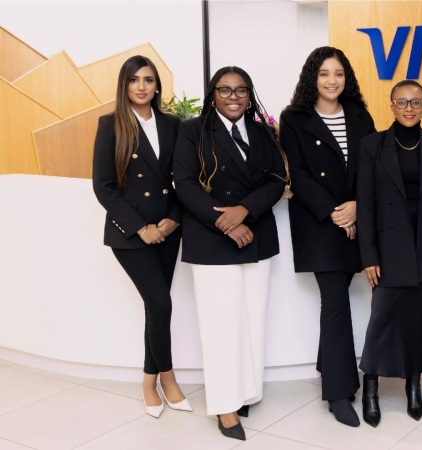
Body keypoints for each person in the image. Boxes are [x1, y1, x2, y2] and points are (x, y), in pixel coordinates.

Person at [173, 66, 288, 441]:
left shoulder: (262, 131)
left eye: (241, 90)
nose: (233, 96)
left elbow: (276, 179)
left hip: (256, 235)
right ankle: (225, 406)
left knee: (252, 320)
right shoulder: (192, 131)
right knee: (220, 326)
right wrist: (225, 221)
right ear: (213, 94)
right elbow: (185, 184)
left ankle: (246, 392)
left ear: (250, 94)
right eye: (225, 90)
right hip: (212, 241)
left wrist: (245, 211)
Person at [358, 80, 422, 427]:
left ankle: (414, 386)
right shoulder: (372, 145)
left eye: (415, 102)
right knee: (384, 319)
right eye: (401, 102)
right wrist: (369, 256)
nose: (408, 108)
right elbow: (367, 204)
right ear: (390, 106)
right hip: (389, 248)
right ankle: (370, 387)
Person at [279, 46, 375, 428]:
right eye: (324, 74)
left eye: (338, 74)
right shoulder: (294, 118)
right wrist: (337, 212)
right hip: (319, 225)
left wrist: (356, 206)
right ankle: (338, 391)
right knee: (335, 302)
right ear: (311, 79)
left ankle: (328, 367)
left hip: (357, 221)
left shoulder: (360, 116)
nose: (332, 81)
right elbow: (296, 174)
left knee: (336, 301)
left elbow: (371, 168)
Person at [92, 55, 191, 419]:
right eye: (134, 80)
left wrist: (172, 221)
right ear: (124, 85)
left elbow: (184, 178)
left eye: (148, 80)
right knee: (162, 304)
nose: (141, 87)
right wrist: (140, 227)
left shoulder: (172, 124)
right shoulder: (111, 125)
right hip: (130, 235)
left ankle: (149, 380)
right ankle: (165, 378)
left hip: (167, 231)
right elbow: (103, 187)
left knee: (156, 305)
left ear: (156, 86)